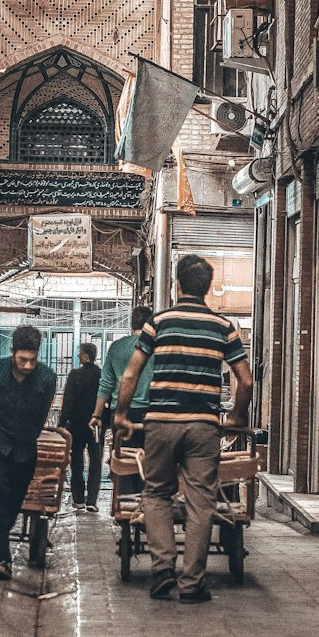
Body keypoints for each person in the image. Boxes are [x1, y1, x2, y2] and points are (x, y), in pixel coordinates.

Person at [115, 255, 253, 604]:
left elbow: (131, 375)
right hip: (203, 427)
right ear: (207, 287)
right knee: (201, 501)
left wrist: (120, 415)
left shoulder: (159, 322)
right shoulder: (224, 327)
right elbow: (246, 382)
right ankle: (192, 584)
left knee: (157, 493)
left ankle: (162, 571)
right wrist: (236, 418)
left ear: (177, 285)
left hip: (161, 423)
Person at [0, 325, 56, 580]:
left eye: (32, 360)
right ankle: (0, 558)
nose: (27, 366)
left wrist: (30, 435)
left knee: (14, 501)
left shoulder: (47, 378)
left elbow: (42, 415)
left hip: (24, 450)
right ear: (12, 351)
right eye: (22, 360)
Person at [91, 306, 154, 500]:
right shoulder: (157, 347)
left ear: (131, 323)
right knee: (150, 460)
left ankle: (125, 506)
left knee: (124, 458)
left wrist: (96, 415)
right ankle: (148, 504)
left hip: (122, 413)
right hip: (151, 414)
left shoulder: (117, 347)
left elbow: (106, 384)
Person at [60, 342, 103, 511]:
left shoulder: (74, 375)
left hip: (76, 425)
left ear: (85, 356)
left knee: (76, 461)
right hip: (96, 425)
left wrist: (62, 424)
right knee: (96, 462)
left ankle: (78, 499)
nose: (77, 356)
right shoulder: (102, 375)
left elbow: (67, 402)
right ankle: (92, 501)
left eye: (79, 353)